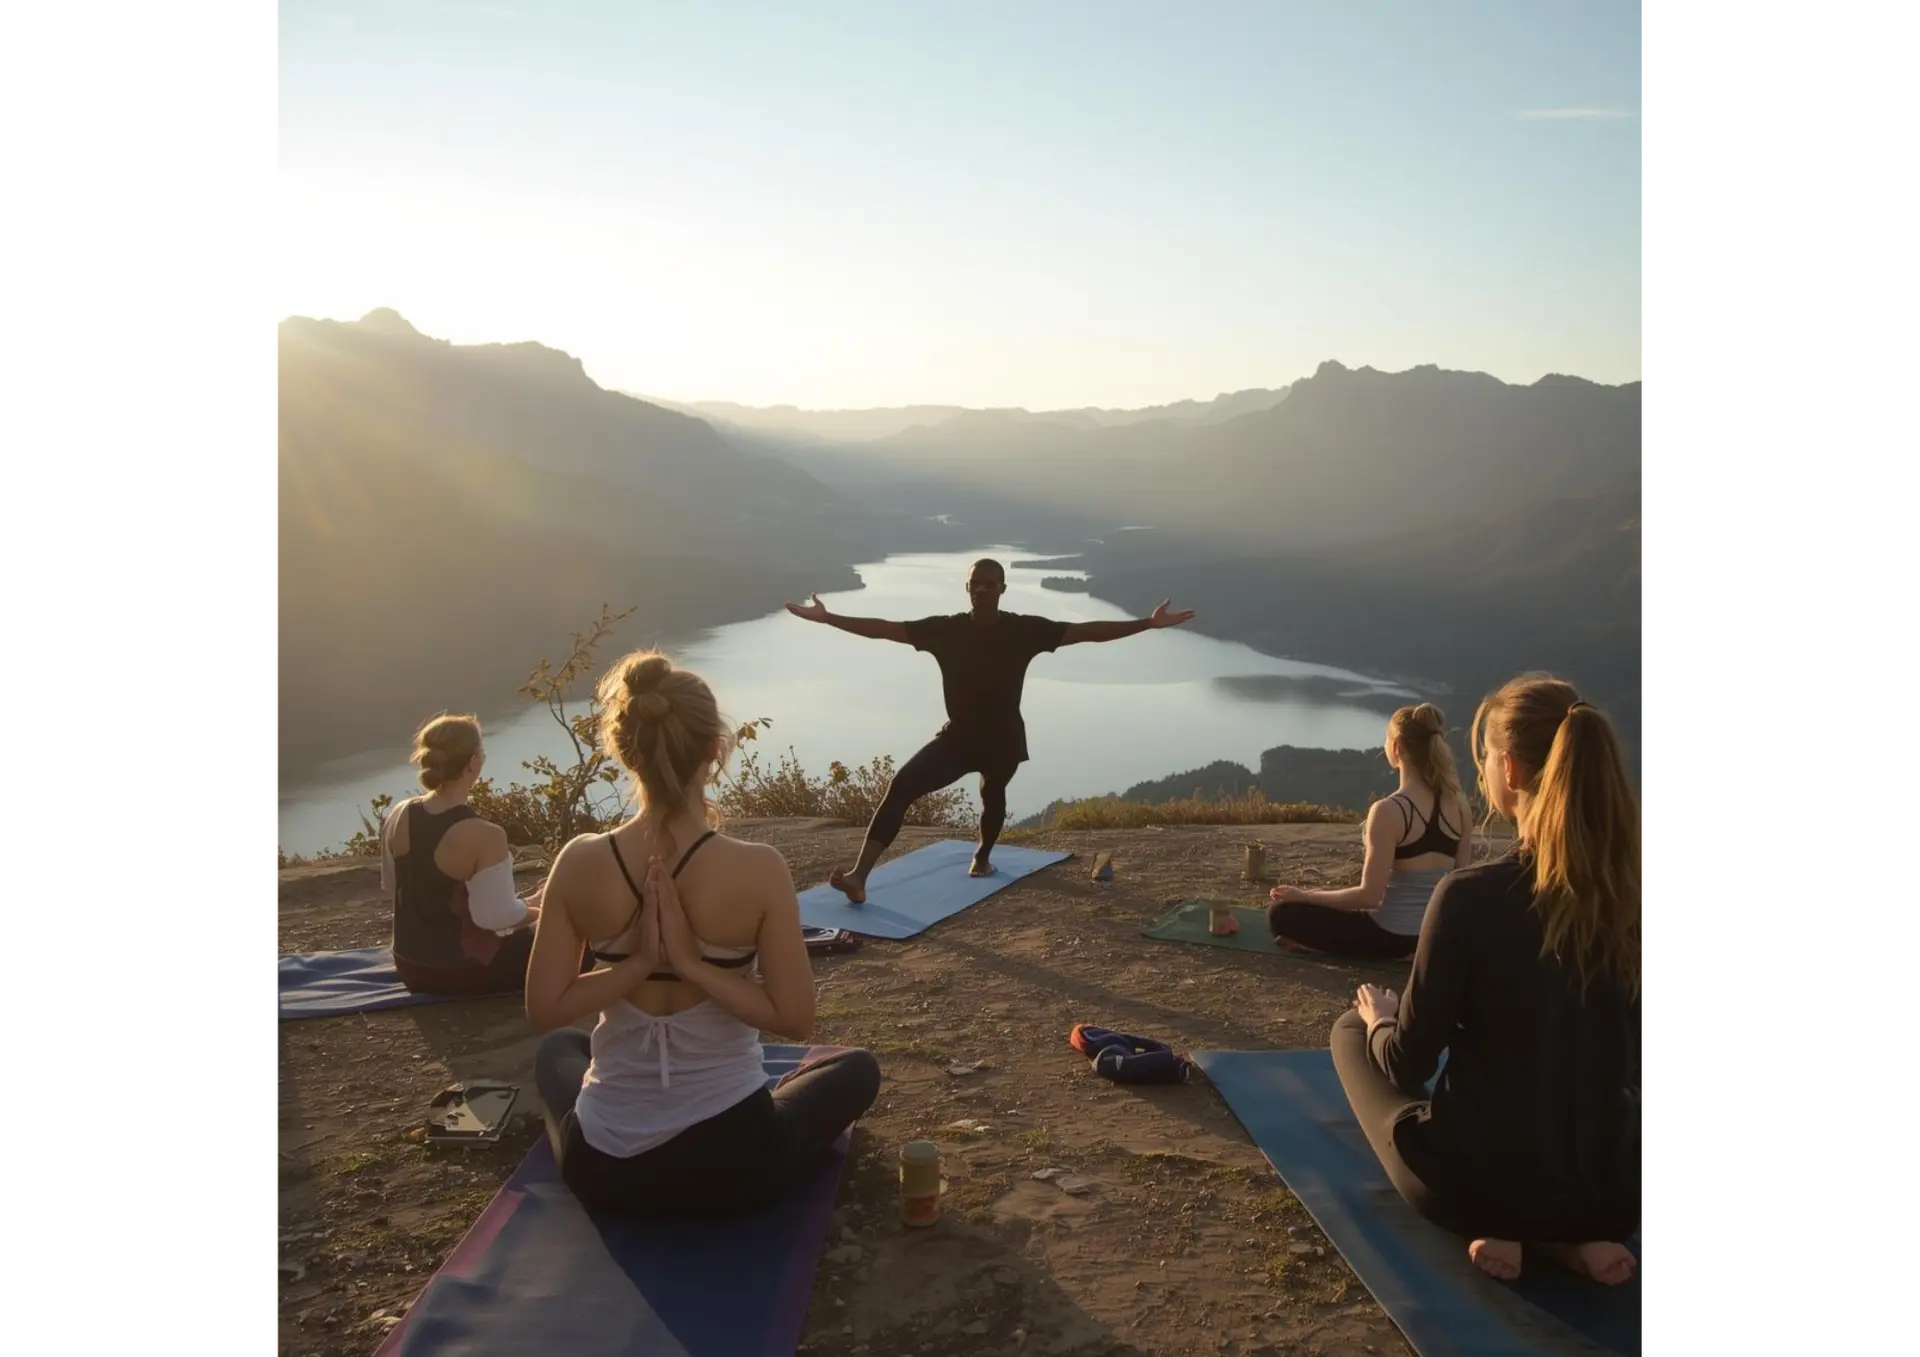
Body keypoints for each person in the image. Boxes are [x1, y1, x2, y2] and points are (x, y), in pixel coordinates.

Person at [525, 650, 882, 1216]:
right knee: (856, 1068)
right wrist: (693, 966)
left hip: (603, 1173)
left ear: (623, 748)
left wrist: (635, 966)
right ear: (715, 749)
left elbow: (545, 1008)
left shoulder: (579, 861)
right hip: (730, 1165)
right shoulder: (758, 867)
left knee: (558, 1049)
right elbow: (793, 1019)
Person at [1329, 675, 1648, 1286]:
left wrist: (1380, 1022)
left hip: (1474, 1187)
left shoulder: (1470, 898)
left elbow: (1406, 1063)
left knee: (1351, 1030)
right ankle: (1573, 1238)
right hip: (1611, 1195)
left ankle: (1511, 1225)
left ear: (1510, 768)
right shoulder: (1628, 896)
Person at [785, 557, 1195, 902]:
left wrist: (1146, 624)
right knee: (902, 785)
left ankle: (983, 854)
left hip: (1002, 740)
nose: (981, 590)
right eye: (975, 584)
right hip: (958, 739)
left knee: (991, 793)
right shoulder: (945, 630)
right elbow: (884, 628)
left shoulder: (1024, 630)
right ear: (967, 588)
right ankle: (859, 877)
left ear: (1002, 589)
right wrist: (828, 619)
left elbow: (1086, 632)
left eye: (989, 584)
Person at [1265, 703, 1474, 958]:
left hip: (1390, 939)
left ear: (1396, 747)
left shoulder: (1389, 810)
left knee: (1280, 913)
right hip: (1435, 938)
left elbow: (1369, 897)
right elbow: (1460, 886)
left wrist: (1306, 896)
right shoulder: (1459, 803)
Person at [381, 714, 551, 995]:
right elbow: (495, 919)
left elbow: (398, 886)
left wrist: (532, 900)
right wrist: (546, 911)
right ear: (473, 762)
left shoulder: (399, 814)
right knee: (582, 941)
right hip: (462, 971)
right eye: (482, 753)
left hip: (409, 964)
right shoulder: (485, 835)